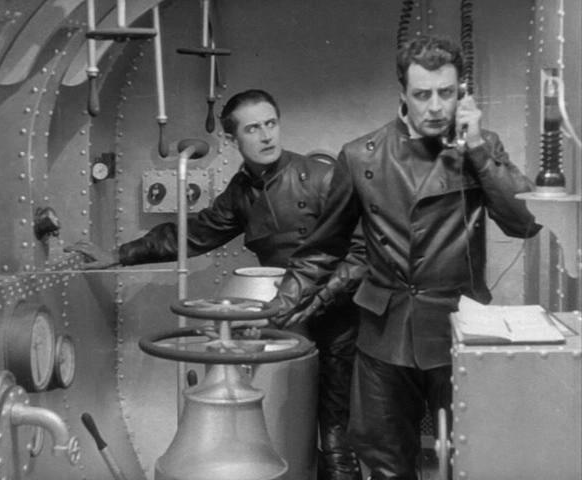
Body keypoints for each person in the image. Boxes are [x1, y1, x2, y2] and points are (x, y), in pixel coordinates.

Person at [271, 36, 541, 480]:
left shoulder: (480, 147)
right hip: (385, 333)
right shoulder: (361, 155)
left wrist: (476, 148)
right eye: (422, 94)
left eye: (446, 93)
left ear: (462, 92)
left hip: (457, 326)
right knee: (385, 463)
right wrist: (279, 304)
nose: (435, 107)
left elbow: (525, 221)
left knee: (470, 459)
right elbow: (323, 247)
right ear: (403, 93)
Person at [66, 89, 364, 480]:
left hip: (337, 318)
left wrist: (319, 299)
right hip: (284, 320)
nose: (266, 136)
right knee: (282, 425)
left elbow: (362, 253)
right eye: (253, 129)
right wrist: (121, 254)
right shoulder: (242, 193)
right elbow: (193, 234)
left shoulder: (324, 178)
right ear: (231, 138)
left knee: (337, 438)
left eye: (271, 124)